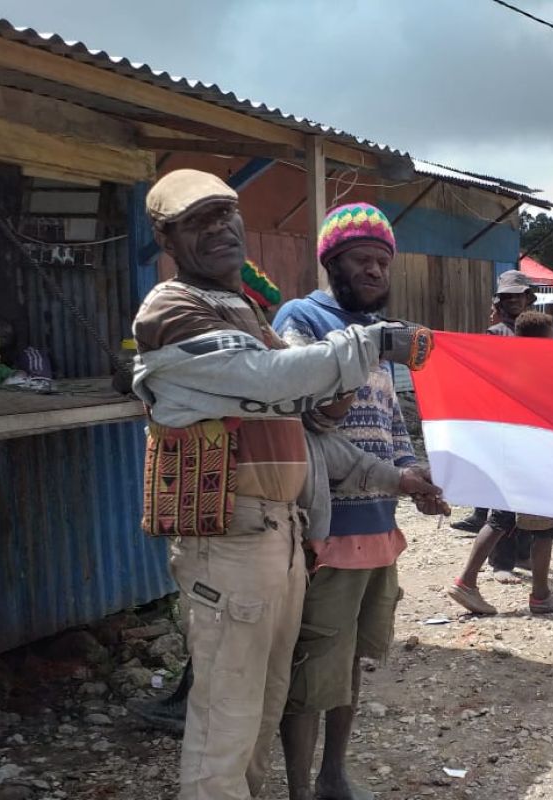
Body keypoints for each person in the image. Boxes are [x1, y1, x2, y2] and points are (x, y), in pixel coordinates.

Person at [131, 169, 433, 800]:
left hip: (279, 531)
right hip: (230, 535)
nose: (219, 230)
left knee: (262, 707)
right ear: (167, 238)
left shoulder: (242, 309)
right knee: (228, 716)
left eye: (225, 215)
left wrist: (388, 471)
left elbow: (305, 425)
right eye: (197, 222)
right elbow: (267, 381)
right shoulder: (173, 307)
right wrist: (373, 343)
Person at [270, 202, 449, 800]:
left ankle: (333, 776)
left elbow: (393, 422)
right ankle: (299, 787)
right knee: (312, 663)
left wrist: (413, 475)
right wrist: (346, 378)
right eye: (361, 260)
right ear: (331, 262)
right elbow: (303, 405)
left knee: (349, 662)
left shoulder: (385, 335)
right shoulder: (303, 318)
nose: (374, 271)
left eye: (382, 261)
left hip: (378, 523)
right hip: (326, 524)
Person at [446, 310, 553, 616]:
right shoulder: (541, 374)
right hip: (534, 460)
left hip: (508, 456)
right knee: (546, 527)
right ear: (539, 342)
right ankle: (541, 595)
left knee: (500, 519)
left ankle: (467, 582)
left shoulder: (507, 371)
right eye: (551, 338)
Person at [449, 270, 539, 538]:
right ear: (500, 301)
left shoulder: (539, 330)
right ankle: (497, 543)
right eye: (507, 296)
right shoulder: (495, 333)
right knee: (500, 481)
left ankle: (518, 543)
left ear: (527, 297)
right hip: (502, 416)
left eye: (517, 295)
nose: (512, 300)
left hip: (532, 418)